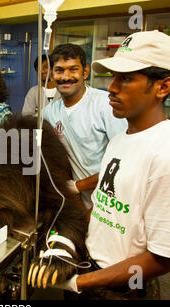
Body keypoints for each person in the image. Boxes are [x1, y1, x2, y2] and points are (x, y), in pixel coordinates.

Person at [56, 30, 170, 300]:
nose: (111, 87)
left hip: (124, 287)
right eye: (113, 77)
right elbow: (104, 208)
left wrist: (80, 282)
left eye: (125, 79)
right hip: (91, 266)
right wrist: (67, 239)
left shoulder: (169, 157)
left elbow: (161, 260)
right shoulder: (121, 140)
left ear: (163, 87)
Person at [42, 44, 127, 209]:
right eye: (59, 70)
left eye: (73, 69)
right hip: (76, 201)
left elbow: (124, 162)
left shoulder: (105, 105)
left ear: (85, 72)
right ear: (51, 75)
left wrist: (78, 186)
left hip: (111, 198)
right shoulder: (49, 112)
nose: (66, 77)